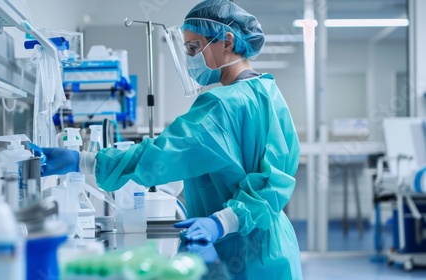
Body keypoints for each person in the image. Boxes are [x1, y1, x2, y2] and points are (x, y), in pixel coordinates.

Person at [40, 0, 302, 278]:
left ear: (227, 41)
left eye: (194, 48)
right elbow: (275, 183)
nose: (191, 59)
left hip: (241, 255)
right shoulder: (270, 93)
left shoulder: (220, 105)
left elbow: (158, 156)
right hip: (277, 249)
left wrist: (81, 160)